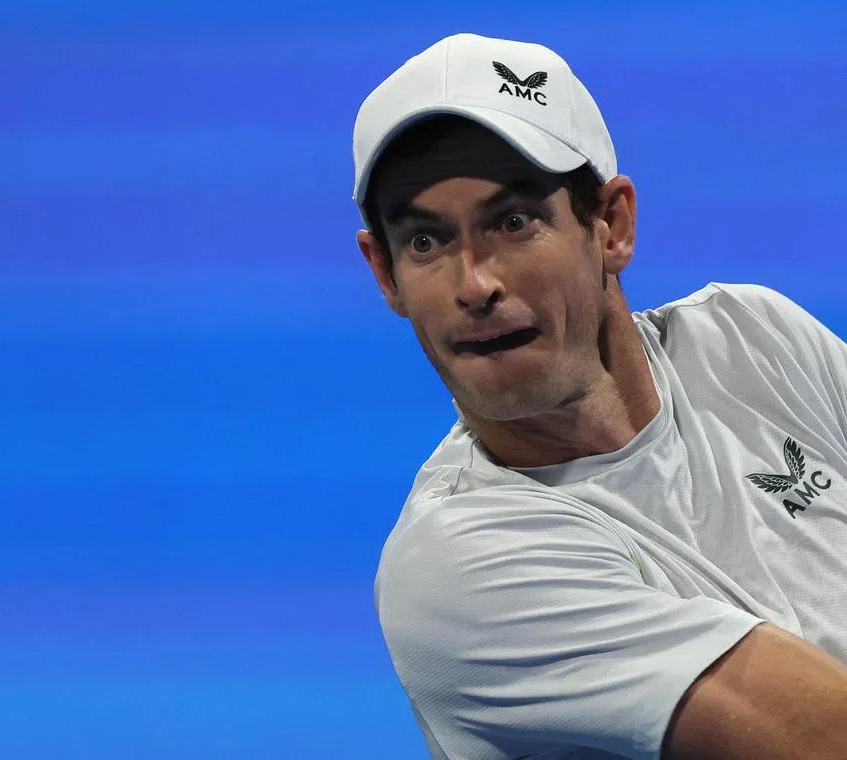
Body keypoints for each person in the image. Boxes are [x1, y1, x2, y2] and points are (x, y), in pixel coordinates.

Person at [352, 33, 847, 759]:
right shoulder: (459, 566)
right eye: (425, 242)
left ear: (611, 224)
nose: (474, 285)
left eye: (512, 223)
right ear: (385, 274)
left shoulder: (753, 337)